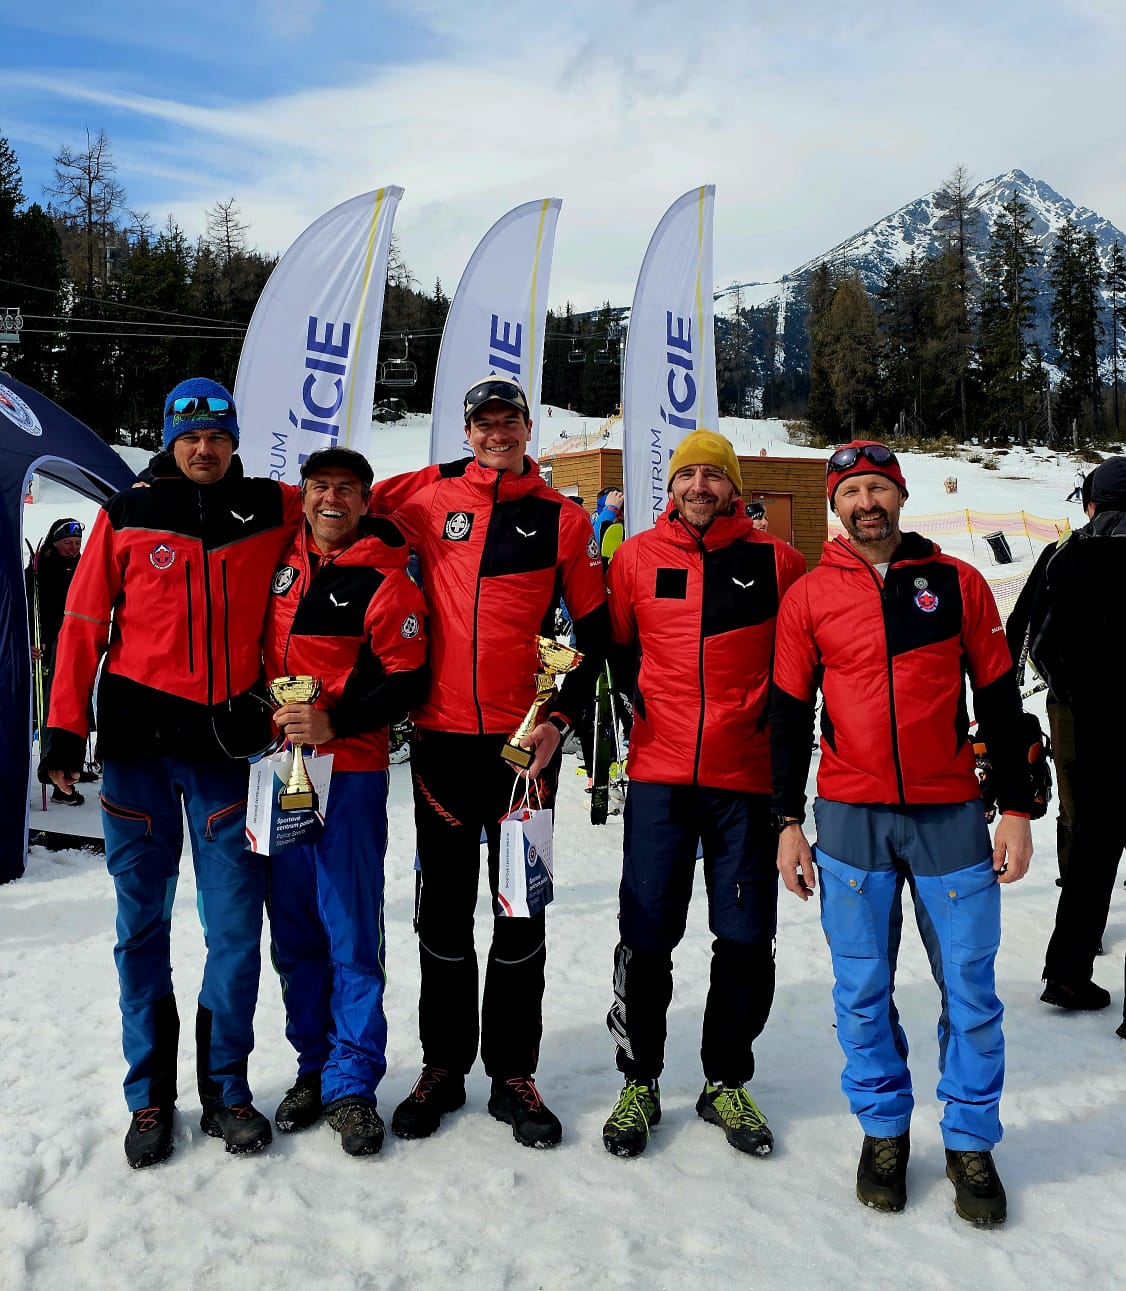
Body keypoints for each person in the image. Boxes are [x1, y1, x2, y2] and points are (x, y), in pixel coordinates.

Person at [41, 378, 307, 1169]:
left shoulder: (269, 508)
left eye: (218, 434)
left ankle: (226, 1089)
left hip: (225, 750)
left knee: (233, 930)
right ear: (169, 437)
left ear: (233, 438)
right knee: (141, 930)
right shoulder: (125, 514)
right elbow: (83, 624)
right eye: (190, 435)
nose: (204, 448)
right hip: (136, 754)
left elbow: (346, 495)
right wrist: (63, 730)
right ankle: (149, 1095)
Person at [771, 440, 1033, 1226]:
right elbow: (787, 718)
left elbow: (999, 695)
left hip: (951, 813)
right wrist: (787, 820)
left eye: (878, 487)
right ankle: (883, 1130)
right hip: (849, 817)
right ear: (835, 506)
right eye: (851, 492)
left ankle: (969, 1139)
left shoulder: (955, 583)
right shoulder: (810, 597)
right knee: (859, 988)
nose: (866, 503)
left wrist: (1014, 807)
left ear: (900, 494)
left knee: (971, 987)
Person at [369, 374, 609, 1149]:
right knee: (440, 915)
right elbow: (337, 506)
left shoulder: (564, 520)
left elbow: (597, 636)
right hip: (439, 742)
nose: (498, 433)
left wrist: (561, 719)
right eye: (485, 422)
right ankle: (443, 1064)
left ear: (529, 428)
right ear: (467, 430)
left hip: (523, 751)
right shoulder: (429, 494)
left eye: (511, 421)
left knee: (519, 911)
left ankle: (513, 1072)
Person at [599, 430, 806, 1159]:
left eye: (712, 476)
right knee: (647, 933)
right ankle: (640, 1078)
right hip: (658, 778)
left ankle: (725, 1079)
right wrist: (646, 720)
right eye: (687, 474)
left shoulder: (778, 561)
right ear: (672, 486)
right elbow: (620, 652)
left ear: (732, 486)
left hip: (744, 782)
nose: (699, 487)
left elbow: (800, 669)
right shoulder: (634, 559)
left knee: (746, 937)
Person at [264, 447, 428, 1157]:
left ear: (367, 500)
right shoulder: (284, 558)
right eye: (320, 487)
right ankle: (312, 1065)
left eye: (347, 490)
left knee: (351, 931)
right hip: (277, 773)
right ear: (303, 495)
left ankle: (353, 1079)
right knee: (295, 932)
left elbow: (409, 683)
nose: (332, 499)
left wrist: (337, 720)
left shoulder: (388, 582)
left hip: (351, 773)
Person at [1029, 456, 1126, 1021]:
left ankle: (1067, 975)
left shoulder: (1065, 557)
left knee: (1089, 845)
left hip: (1085, 723)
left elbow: (1036, 640)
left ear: (1093, 503)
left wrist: (1069, 688)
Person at [1006, 470, 1096, 884]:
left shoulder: (1062, 551)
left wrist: (1009, 683)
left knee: (1076, 795)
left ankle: (1079, 893)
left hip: (1071, 699)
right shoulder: (1063, 551)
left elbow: (1022, 622)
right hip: (1071, 696)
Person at [26, 517, 86, 805]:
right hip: (46, 650)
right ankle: (49, 772)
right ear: (55, 541)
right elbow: (21, 609)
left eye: (77, 543)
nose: (73, 548)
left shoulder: (86, 568)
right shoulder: (37, 572)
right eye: (67, 543)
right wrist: (27, 641)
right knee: (48, 713)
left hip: (76, 648)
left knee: (74, 711)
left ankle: (69, 770)